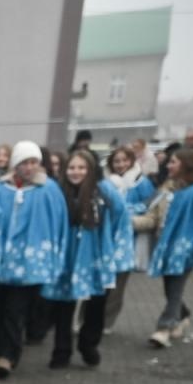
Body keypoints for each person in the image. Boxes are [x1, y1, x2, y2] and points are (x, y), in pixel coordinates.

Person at [0, 141, 68, 378]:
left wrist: (52, 255)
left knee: (16, 308)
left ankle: (7, 356)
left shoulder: (48, 190)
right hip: (2, 261)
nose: (29, 167)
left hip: (29, 263)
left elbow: (57, 224)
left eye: (34, 162)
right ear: (15, 165)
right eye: (24, 162)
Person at [41, 148, 133, 367]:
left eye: (82, 167)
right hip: (67, 256)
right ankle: (61, 351)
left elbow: (121, 219)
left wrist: (116, 251)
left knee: (96, 304)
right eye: (72, 167)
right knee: (63, 305)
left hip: (96, 256)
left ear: (91, 169)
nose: (76, 172)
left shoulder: (104, 191)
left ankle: (88, 345)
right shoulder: (58, 192)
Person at [143, 147, 193, 347]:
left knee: (175, 288)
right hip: (168, 245)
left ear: (187, 165)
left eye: (173, 162)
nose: (168, 166)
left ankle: (164, 328)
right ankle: (182, 315)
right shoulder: (175, 190)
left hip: (185, 248)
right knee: (170, 287)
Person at [103, 145, 152, 328]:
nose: (121, 164)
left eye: (124, 160)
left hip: (130, 239)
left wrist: (126, 212)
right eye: (116, 161)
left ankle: (107, 322)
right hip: (107, 237)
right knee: (101, 281)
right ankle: (88, 319)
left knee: (118, 285)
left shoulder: (142, 182)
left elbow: (150, 205)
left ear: (131, 161)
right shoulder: (106, 183)